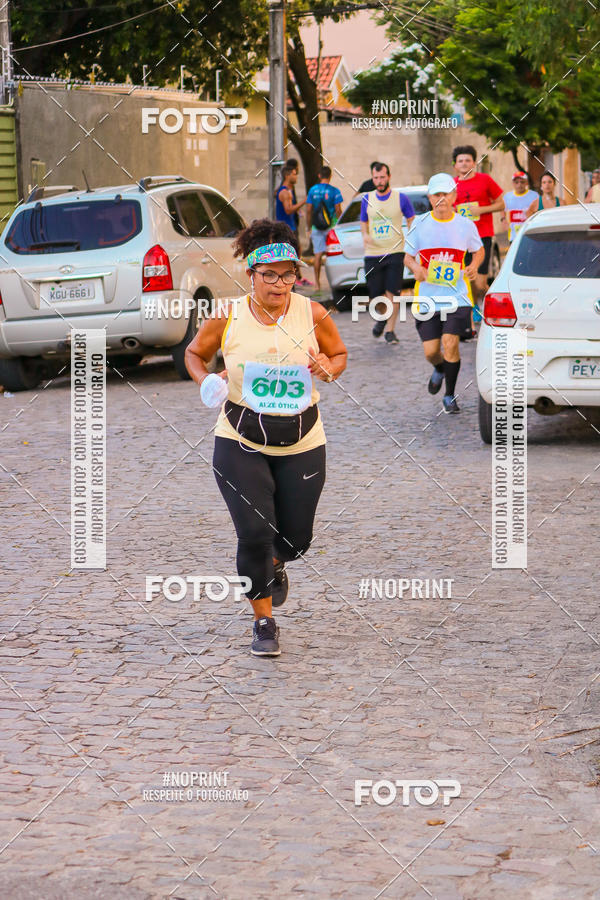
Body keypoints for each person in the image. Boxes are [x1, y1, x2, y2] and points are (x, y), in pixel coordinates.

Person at [184, 219, 347, 658]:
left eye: (288, 274)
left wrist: (326, 367)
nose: (279, 283)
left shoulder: (312, 313)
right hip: (240, 438)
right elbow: (194, 354)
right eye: (269, 275)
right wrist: (205, 381)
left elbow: (339, 355)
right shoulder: (228, 315)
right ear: (251, 274)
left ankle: (277, 563)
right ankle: (263, 622)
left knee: (295, 539)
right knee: (254, 533)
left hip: (302, 440)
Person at [404, 172, 484, 414]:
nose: (441, 198)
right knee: (431, 352)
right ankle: (439, 368)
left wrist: (473, 267)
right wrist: (416, 267)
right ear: (429, 197)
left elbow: (478, 251)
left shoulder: (465, 225)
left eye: (446, 194)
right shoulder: (419, 223)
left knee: (450, 344)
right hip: (427, 299)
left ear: (454, 196)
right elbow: (407, 257)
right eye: (436, 194)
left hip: (457, 297)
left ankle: (449, 395)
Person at [360, 162, 415, 343]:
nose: (379, 181)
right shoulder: (367, 198)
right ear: (372, 178)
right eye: (376, 178)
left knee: (393, 292)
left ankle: (390, 331)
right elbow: (363, 221)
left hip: (395, 251)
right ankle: (383, 319)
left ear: (389, 177)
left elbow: (411, 219)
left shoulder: (401, 198)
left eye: (382, 177)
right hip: (373, 253)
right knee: (376, 295)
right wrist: (365, 235)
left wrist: (412, 241)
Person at [452, 145, 504, 305]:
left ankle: (498, 303)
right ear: (455, 165)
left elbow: (501, 204)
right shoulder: (451, 185)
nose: (464, 164)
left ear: (474, 163)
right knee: (468, 278)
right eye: (460, 161)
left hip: (483, 236)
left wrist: (480, 210)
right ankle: (473, 310)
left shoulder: (485, 180)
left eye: (467, 160)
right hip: (460, 238)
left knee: (480, 283)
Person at [305, 166, 343, 292]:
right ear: (330, 176)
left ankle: (317, 283)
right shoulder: (335, 191)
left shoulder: (312, 191)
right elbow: (338, 210)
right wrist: (340, 224)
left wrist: (309, 227)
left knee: (317, 255)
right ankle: (336, 282)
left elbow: (309, 210)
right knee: (334, 255)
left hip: (317, 226)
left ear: (319, 176)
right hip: (331, 227)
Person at [503, 171, 539, 241]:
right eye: (516, 182)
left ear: (526, 183)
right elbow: (502, 209)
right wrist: (503, 220)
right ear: (513, 184)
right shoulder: (507, 196)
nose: (519, 185)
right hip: (514, 236)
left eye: (522, 182)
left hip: (530, 234)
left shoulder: (534, 195)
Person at [275, 162, 305, 232]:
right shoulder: (284, 192)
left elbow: (290, 206)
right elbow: (288, 210)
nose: (296, 177)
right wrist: (304, 201)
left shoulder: (289, 190)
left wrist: (298, 210)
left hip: (290, 228)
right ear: (287, 176)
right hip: (285, 230)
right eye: (294, 174)